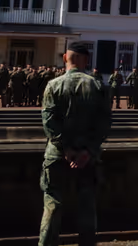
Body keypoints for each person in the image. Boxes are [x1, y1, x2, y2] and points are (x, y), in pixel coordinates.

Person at [40, 42, 112, 246]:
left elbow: (48, 122)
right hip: (87, 157)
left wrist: (66, 148)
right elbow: (104, 124)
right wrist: (87, 151)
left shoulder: (53, 85)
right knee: (87, 205)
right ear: (86, 60)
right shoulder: (98, 86)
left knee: (52, 205)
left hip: (57, 155)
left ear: (65, 58)